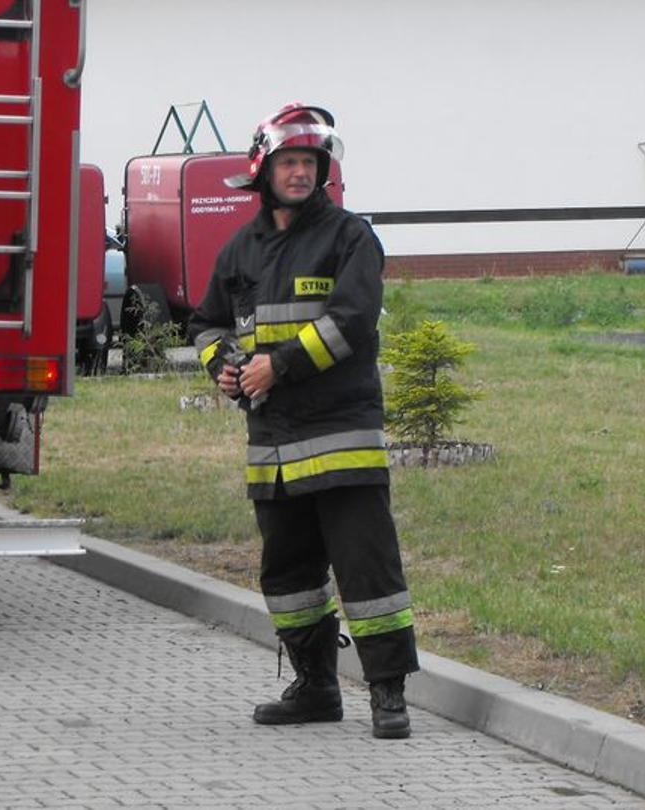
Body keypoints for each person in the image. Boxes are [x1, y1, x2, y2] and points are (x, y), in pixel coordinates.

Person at [188, 102, 418, 738]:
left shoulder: (350, 238)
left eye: (310, 163)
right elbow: (204, 322)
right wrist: (226, 366)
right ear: (264, 169)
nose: (299, 173)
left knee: (367, 570)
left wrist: (277, 366)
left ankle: (387, 694)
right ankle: (316, 687)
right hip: (273, 445)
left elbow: (350, 321)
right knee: (287, 576)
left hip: (339, 436)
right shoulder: (241, 249)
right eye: (289, 161)